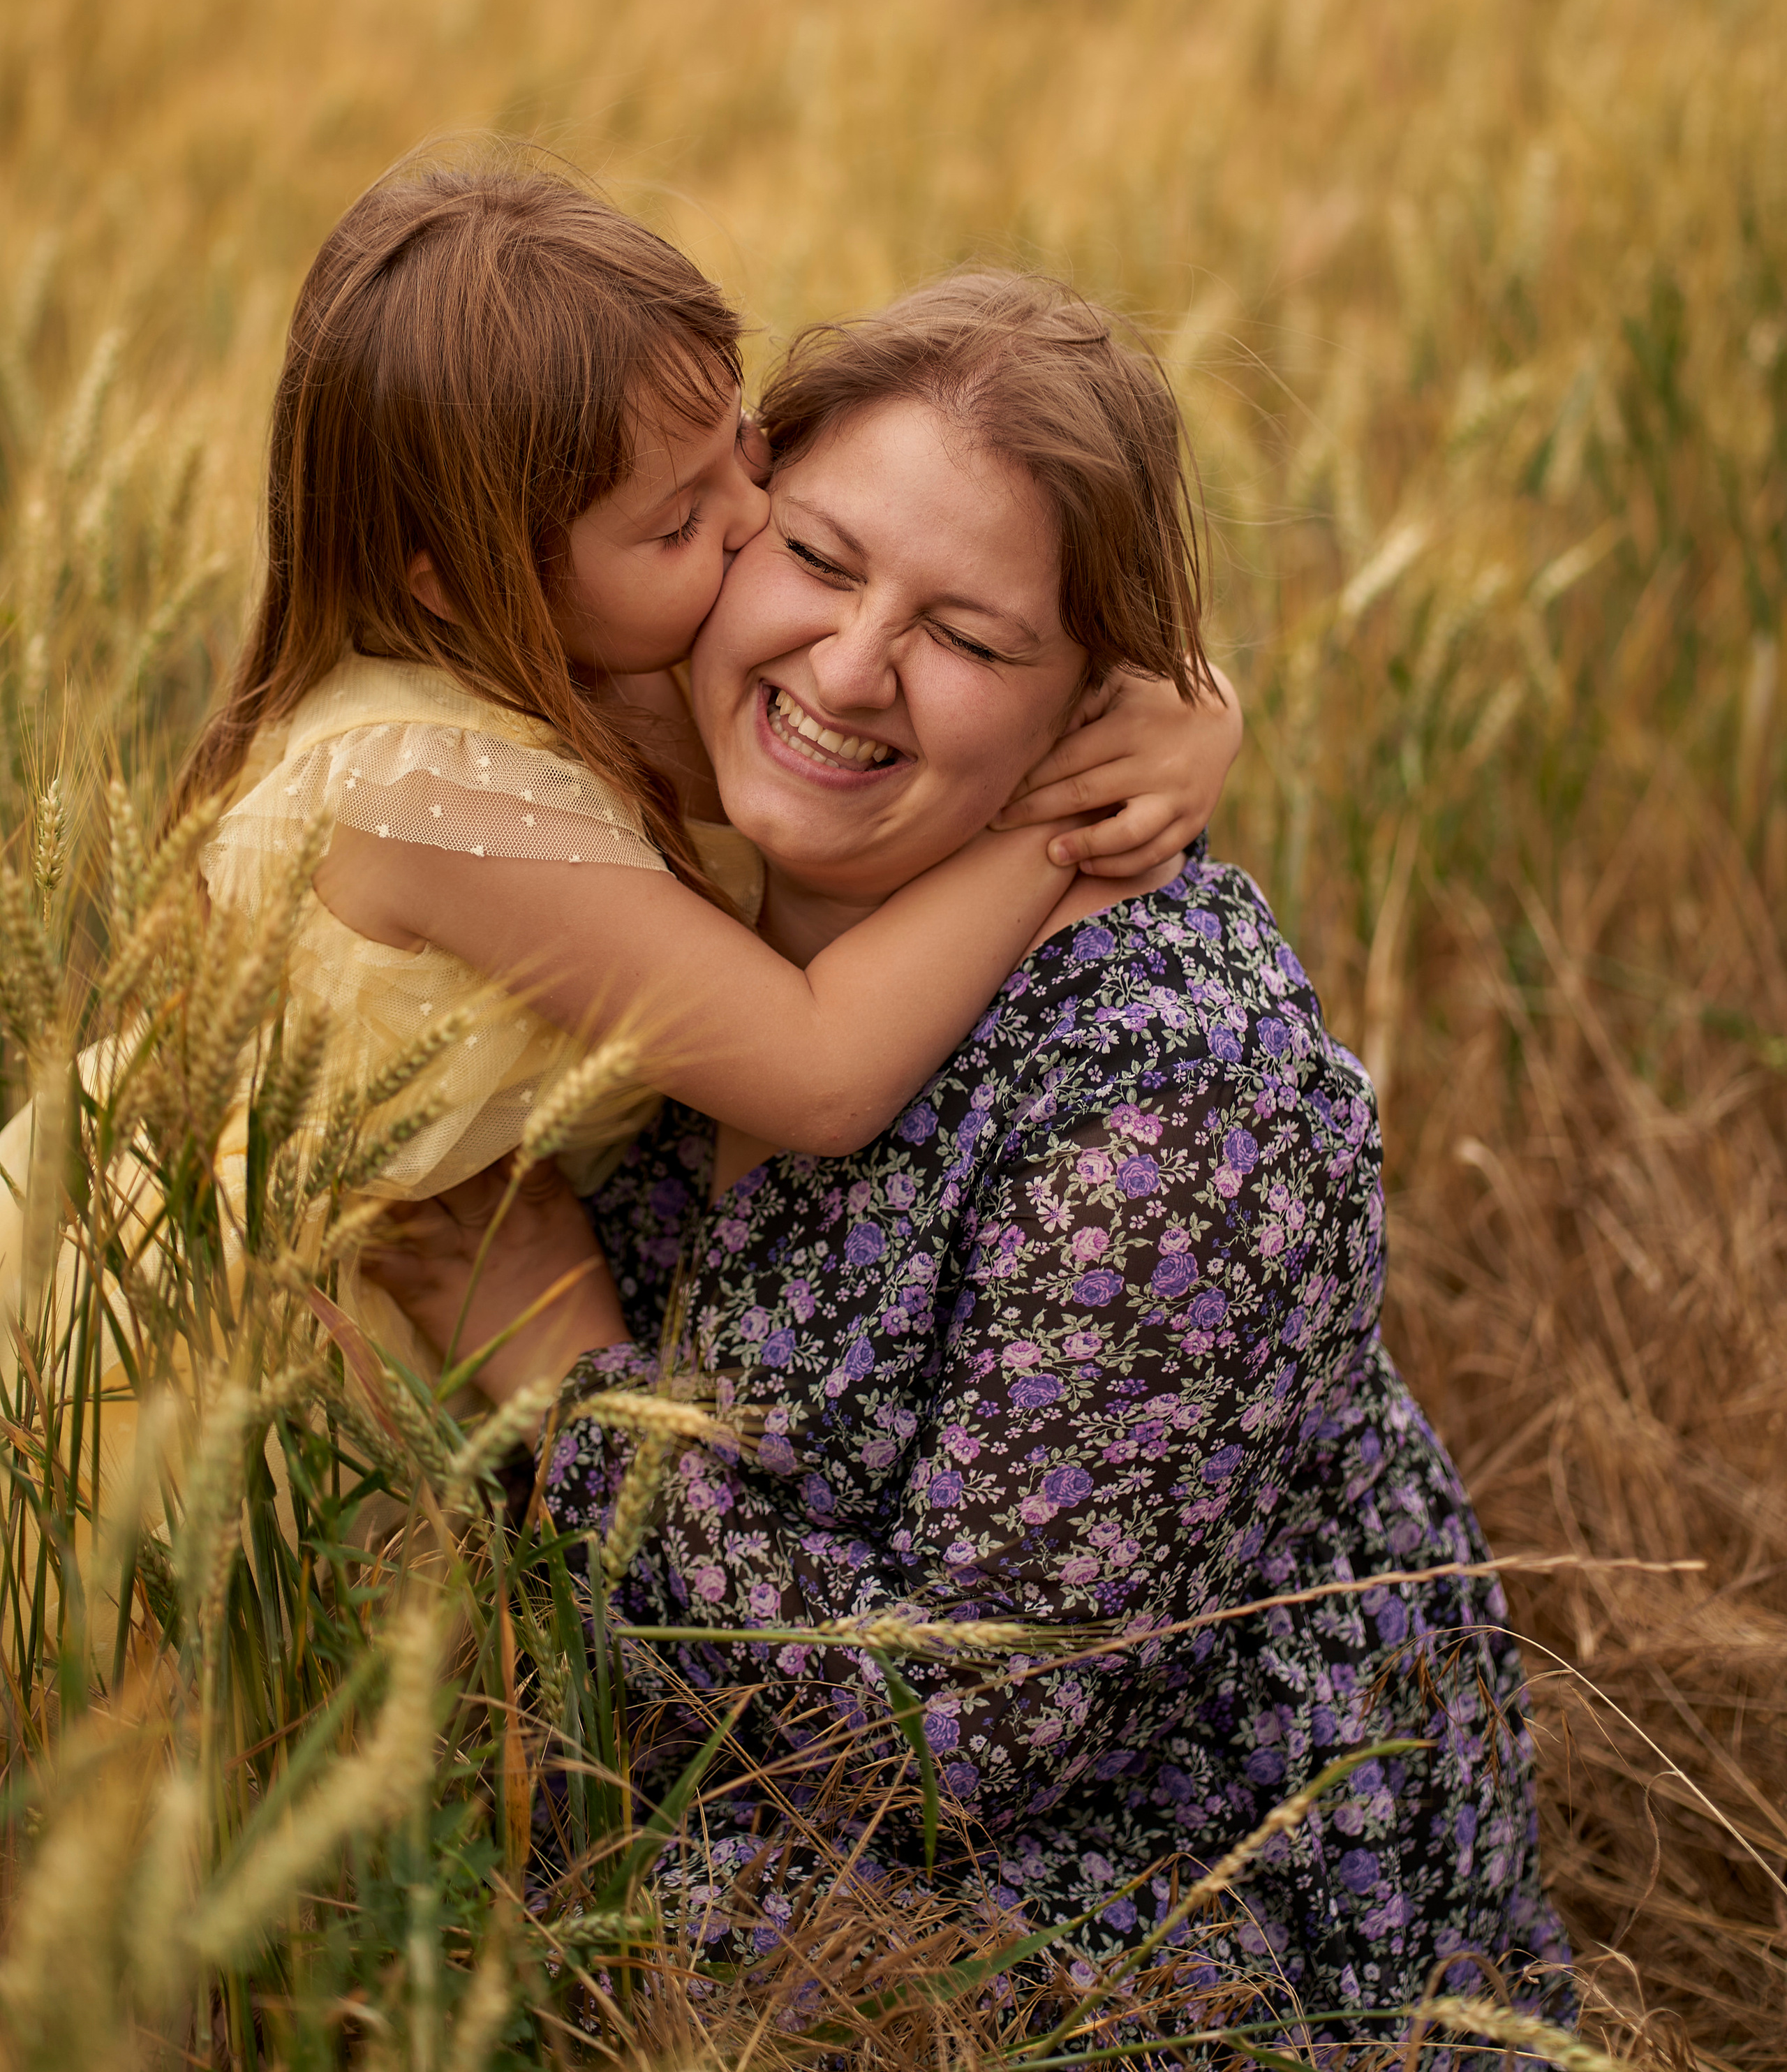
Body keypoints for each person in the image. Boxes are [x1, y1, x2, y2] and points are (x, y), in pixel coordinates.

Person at [371, 273, 1573, 2034]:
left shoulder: (1183, 1100)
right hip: (740, 1796)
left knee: (625, 1927)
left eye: (974, 639)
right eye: (819, 557)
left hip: (1155, 1907)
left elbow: (959, 1741)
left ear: (1092, 708)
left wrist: (566, 1384)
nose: (849, 669)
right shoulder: (625, 836)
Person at [141, 158, 1238, 1369]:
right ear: (456, 584)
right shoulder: (429, 796)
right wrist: (1053, 826)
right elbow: (821, 1074)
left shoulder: (605, 637)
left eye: (746, 447)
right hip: (220, 1339)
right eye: (676, 523)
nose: (748, 520)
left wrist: (1184, 702)